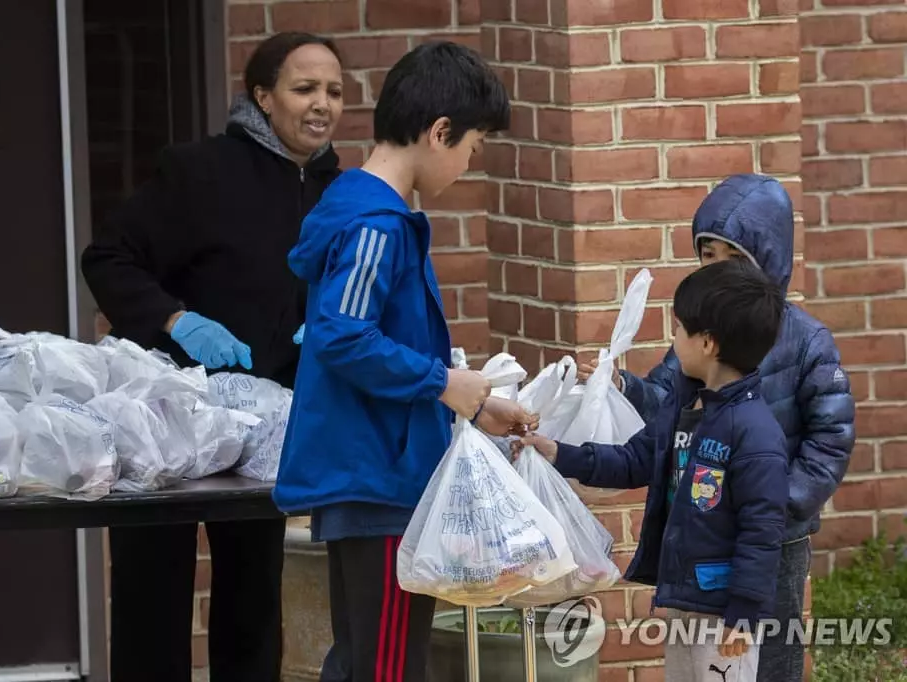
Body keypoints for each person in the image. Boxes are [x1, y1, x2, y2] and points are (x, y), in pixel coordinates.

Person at [79, 32, 346, 682]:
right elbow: (108, 257)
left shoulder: (337, 191)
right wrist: (177, 319)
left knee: (254, 597)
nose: (322, 105)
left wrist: (325, 329)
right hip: (165, 415)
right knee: (152, 594)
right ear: (262, 96)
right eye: (304, 88)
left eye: (334, 92)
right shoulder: (201, 171)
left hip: (260, 426)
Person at [271, 41, 535, 682]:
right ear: (440, 132)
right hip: (379, 482)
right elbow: (341, 334)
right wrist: (443, 382)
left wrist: (471, 401)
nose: (469, 166)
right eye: (472, 150)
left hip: (373, 473)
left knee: (364, 661)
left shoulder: (369, 213)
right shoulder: (377, 225)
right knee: (387, 668)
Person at [577, 174, 855, 682]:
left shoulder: (809, 342)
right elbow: (665, 407)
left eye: (734, 259)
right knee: (709, 660)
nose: (718, 271)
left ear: (767, 261)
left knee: (769, 651)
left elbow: (829, 440)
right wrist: (620, 386)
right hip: (707, 538)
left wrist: (773, 507)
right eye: (708, 257)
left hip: (775, 538)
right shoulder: (696, 340)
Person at [518, 259, 789, 682]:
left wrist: (744, 611)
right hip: (683, 595)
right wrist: (558, 452)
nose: (673, 337)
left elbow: (762, 529)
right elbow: (631, 460)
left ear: (708, 344)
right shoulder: (680, 409)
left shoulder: (755, 433)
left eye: (679, 328)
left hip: (723, 612)